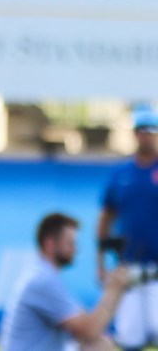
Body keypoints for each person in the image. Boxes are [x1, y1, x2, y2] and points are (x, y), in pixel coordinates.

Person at [0, 212, 132, 351]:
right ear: (49, 243)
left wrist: (115, 290)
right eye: (70, 243)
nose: (76, 249)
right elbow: (88, 332)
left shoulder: (43, 275)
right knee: (98, 346)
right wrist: (115, 289)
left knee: (99, 344)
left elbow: (88, 324)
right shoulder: (43, 280)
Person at [96, 105, 158, 351]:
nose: (146, 134)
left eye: (152, 129)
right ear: (134, 133)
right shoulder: (121, 174)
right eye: (142, 129)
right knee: (130, 337)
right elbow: (105, 219)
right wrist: (101, 263)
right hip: (129, 268)